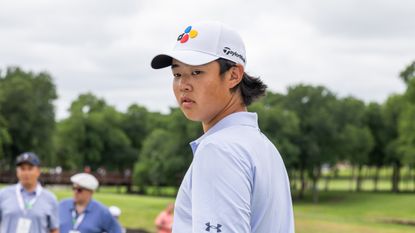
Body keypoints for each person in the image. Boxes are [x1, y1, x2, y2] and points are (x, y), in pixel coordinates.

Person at [151, 21, 295, 233]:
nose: (183, 85)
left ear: (233, 75)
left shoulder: (219, 149)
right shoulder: (263, 147)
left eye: (197, 72)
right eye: (177, 74)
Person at [0, 152, 59, 233]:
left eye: (30, 168)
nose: (26, 173)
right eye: (22, 169)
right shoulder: (3, 195)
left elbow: (54, 229)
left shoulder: (50, 199)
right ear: (17, 171)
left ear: (38, 171)